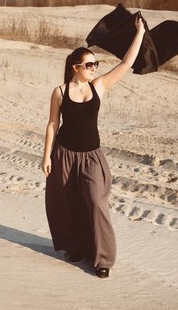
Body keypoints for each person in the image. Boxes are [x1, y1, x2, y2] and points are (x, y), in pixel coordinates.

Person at [42, 15, 146, 278]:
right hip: (64, 154)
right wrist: (46, 157)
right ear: (76, 67)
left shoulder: (98, 86)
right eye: (90, 65)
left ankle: (103, 260)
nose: (94, 68)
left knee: (96, 201)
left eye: (96, 64)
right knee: (67, 204)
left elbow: (127, 63)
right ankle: (75, 248)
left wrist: (140, 33)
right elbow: (53, 124)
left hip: (91, 158)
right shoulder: (60, 92)